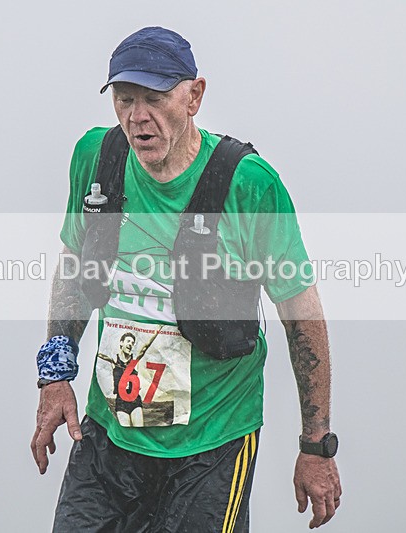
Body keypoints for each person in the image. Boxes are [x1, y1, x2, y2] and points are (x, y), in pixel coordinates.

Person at [31, 26, 342, 531]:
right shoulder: (97, 159)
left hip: (212, 445)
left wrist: (316, 446)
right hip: (111, 434)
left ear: (194, 95)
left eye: (155, 99)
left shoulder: (248, 184)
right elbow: (74, 265)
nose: (138, 117)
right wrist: (55, 372)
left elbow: (301, 315)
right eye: (125, 99)